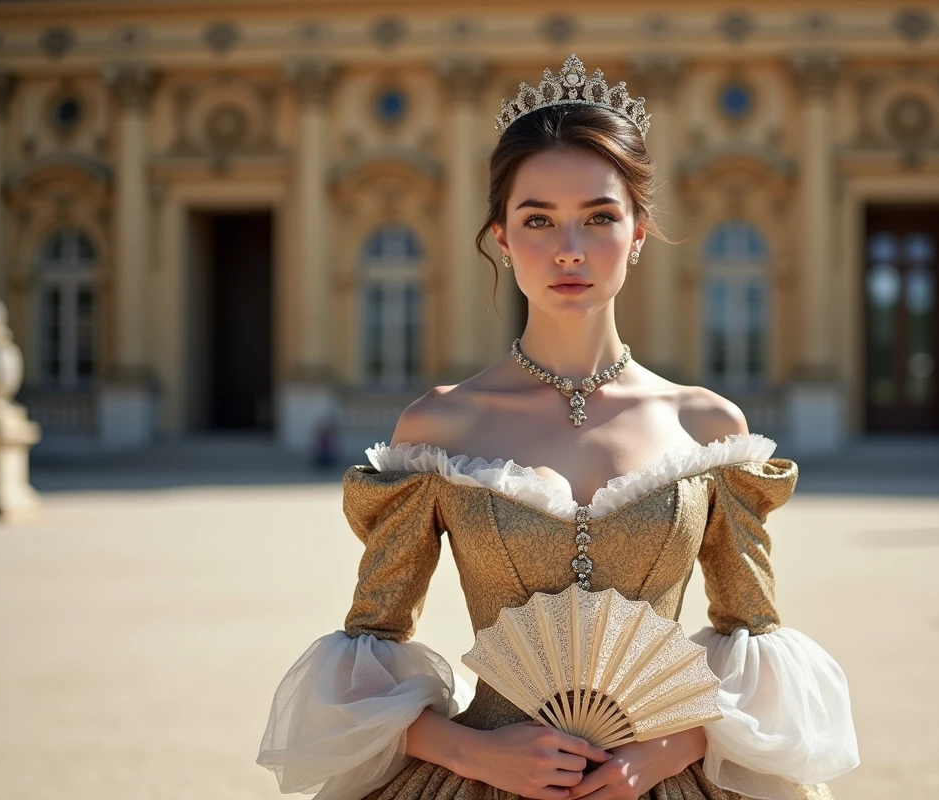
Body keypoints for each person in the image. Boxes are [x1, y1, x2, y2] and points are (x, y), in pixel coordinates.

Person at [257, 54, 859, 800]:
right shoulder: (440, 423)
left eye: (600, 216)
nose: (569, 248)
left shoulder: (709, 427)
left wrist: (666, 752)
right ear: (502, 240)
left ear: (639, 231)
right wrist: (478, 755)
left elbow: (755, 640)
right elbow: (368, 650)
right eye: (537, 219)